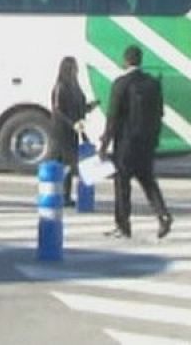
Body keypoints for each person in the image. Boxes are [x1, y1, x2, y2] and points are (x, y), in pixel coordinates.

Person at [100, 45, 172, 240]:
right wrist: (155, 139)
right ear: (140, 60)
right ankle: (163, 215)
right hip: (146, 143)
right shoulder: (152, 84)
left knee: (122, 185)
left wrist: (104, 144)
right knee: (148, 181)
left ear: (125, 60)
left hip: (125, 144)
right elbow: (159, 114)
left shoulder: (120, 84)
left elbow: (112, 117)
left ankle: (123, 226)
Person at [50, 55, 96, 207]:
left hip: (74, 130)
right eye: (74, 68)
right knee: (65, 162)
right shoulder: (60, 87)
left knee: (70, 162)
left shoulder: (75, 86)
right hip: (62, 130)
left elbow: (79, 106)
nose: (77, 71)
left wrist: (89, 107)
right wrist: (72, 123)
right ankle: (62, 194)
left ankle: (66, 194)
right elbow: (58, 111)